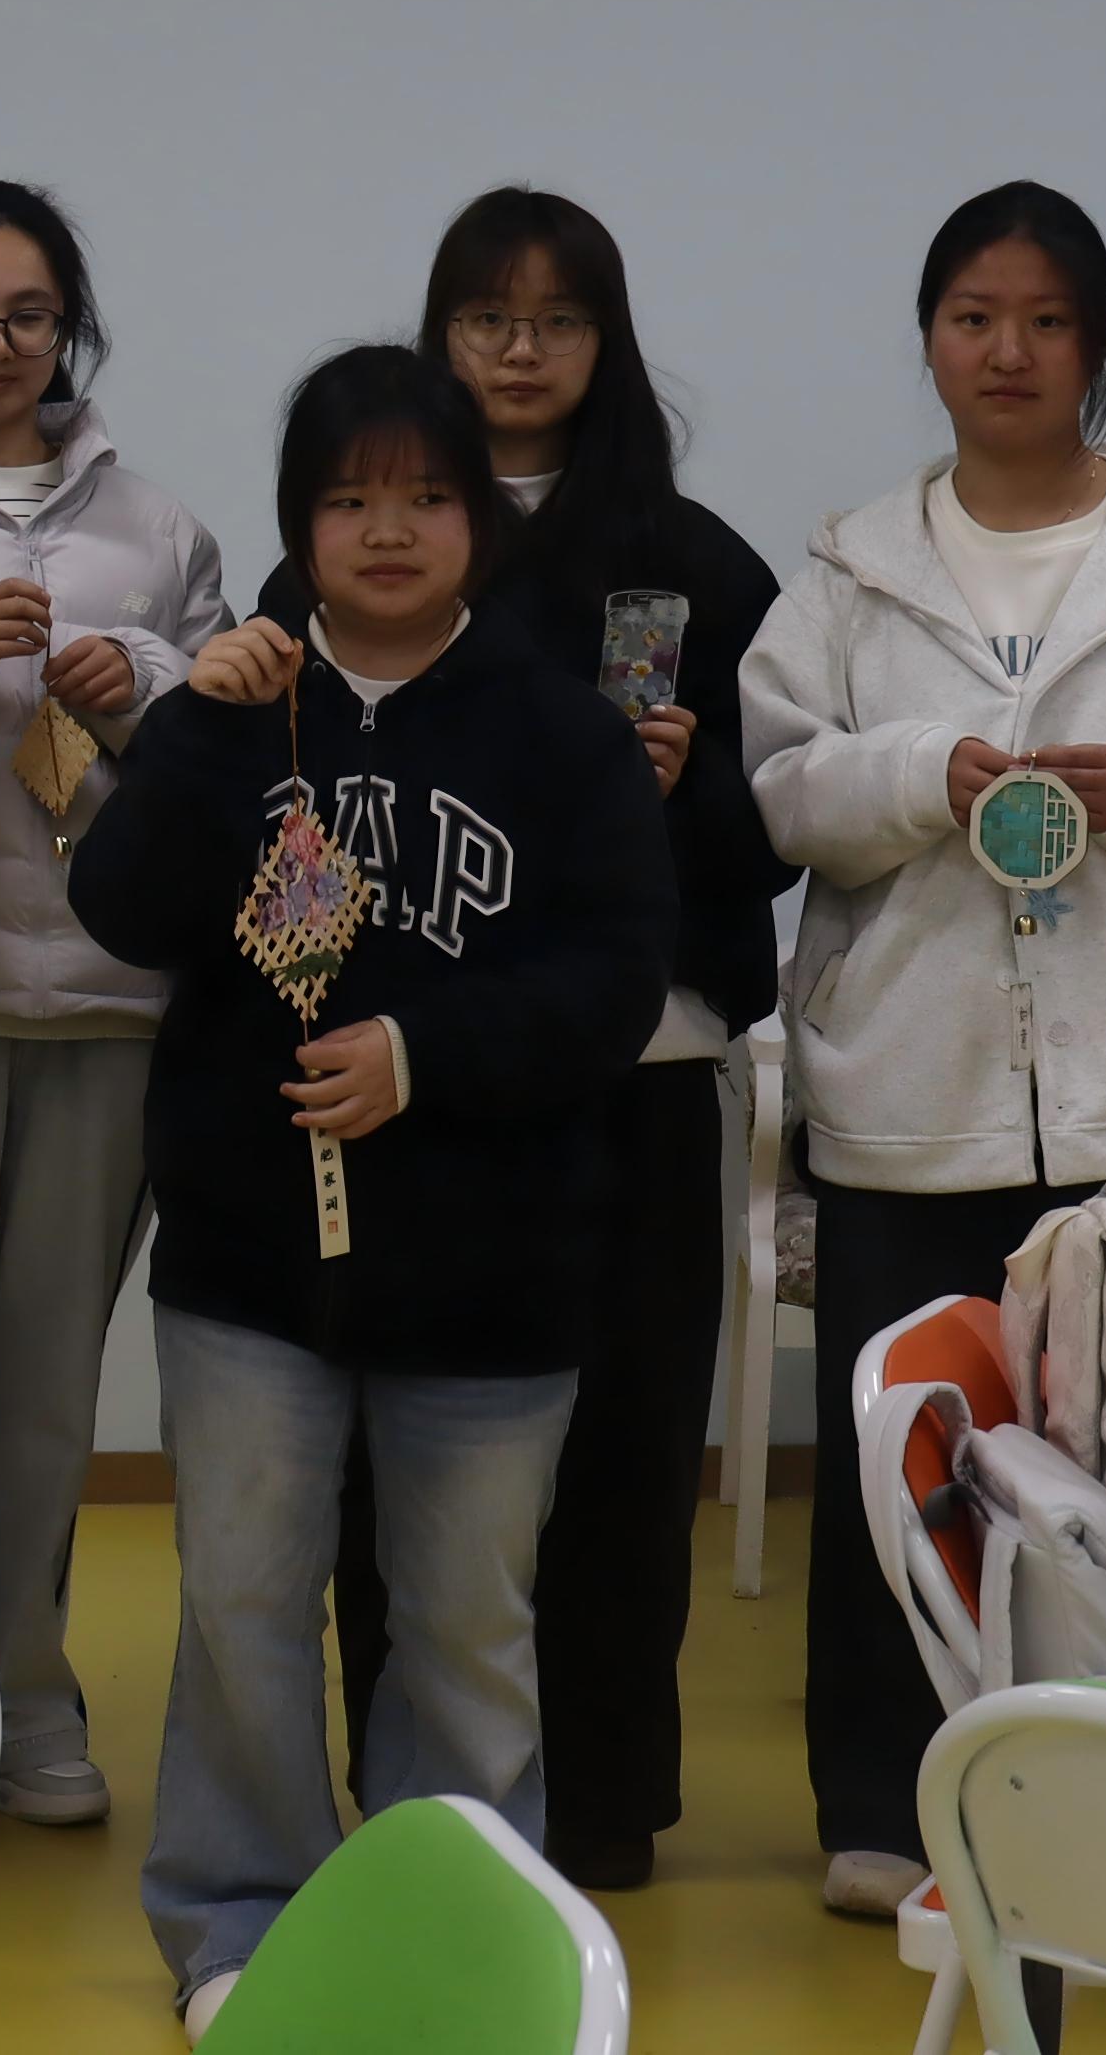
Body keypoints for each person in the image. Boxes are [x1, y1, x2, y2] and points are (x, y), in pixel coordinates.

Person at [741, 180, 1106, 1918]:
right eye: (974, 317)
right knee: (899, 1447)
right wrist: (910, 773)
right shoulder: (852, 567)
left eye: (1046, 320)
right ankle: (885, 1804)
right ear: (929, 338)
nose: (1008, 351)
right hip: (904, 1088)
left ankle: (1103, 1810)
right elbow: (778, 785)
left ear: (1100, 340)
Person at [68, 345, 669, 2031]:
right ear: (298, 525)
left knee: (466, 1625)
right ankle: (242, 1927)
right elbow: (122, 906)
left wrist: (425, 1051)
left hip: (496, 1273)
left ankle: (456, 1928)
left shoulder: (562, 730)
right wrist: (200, 724)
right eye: (347, 499)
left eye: (424, 496)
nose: (387, 530)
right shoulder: (236, 709)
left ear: (478, 518)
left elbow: (617, 980)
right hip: (250, 1265)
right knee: (243, 1603)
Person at [327, 191, 795, 1893]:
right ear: (441, 331)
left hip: (641, 1070)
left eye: (557, 319)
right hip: (417, 1076)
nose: (520, 351)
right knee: (403, 1460)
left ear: (609, 341)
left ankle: (600, 1805)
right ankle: (418, 1797)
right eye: (487, 316)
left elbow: (783, 831)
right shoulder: (375, 537)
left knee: (626, 1455)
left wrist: (689, 782)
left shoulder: (700, 562)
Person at [0, 179, 223, 1829]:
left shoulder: (157, 526)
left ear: (69, 327)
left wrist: (136, 678)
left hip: (102, 1007)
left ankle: (27, 1690)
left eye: (26, 314)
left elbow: (227, 735)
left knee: (47, 1396)